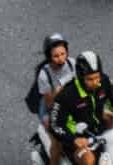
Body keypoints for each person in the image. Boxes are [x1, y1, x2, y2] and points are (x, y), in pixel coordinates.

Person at [50, 52, 113, 165]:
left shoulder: (103, 82)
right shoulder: (66, 95)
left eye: (97, 77)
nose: (95, 82)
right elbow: (55, 124)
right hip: (77, 139)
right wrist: (74, 139)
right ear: (80, 78)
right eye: (90, 79)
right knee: (89, 160)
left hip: (99, 132)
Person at [33, 33, 77, 165]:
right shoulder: (44, 75)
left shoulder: (72, 64)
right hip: (50, 109)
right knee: (57, 141)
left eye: (63, 54)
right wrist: (58, 91)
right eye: (56, 56)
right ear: (49, 57)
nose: (61, 59)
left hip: (71, 102)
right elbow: (49, 104)